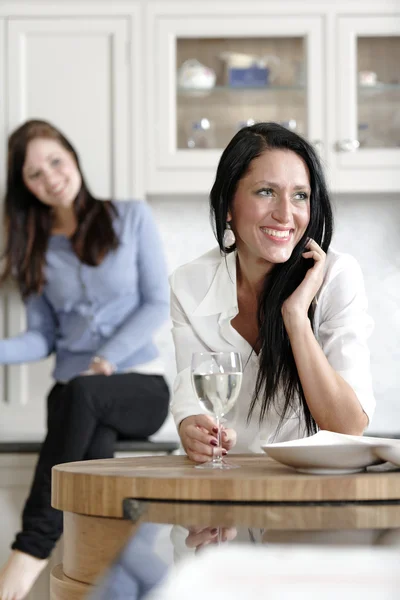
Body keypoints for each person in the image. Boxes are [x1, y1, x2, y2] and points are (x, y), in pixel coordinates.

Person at [0, 119, 170, 600]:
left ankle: (28, 553)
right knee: (97, 509)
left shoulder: (131, 217)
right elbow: (41, 339)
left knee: (84, 392)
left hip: (139, 386)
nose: (50, 177)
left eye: (55, 161)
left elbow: (157, 302)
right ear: (26, 187)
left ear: (72, 157)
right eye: (35, 174)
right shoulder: (33, 250)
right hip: (76, 401)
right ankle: (152, 587)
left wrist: (106, 358)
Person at [170, 122, 375, 463]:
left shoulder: (337, 276)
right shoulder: (190, 283)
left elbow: (348, 428)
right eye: (266, 191)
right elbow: (192, 394)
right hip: (226, 488)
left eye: (300, 196)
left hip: (310, 495)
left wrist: (296, 318)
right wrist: (194, 428)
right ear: (229, 205)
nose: (285, 214)